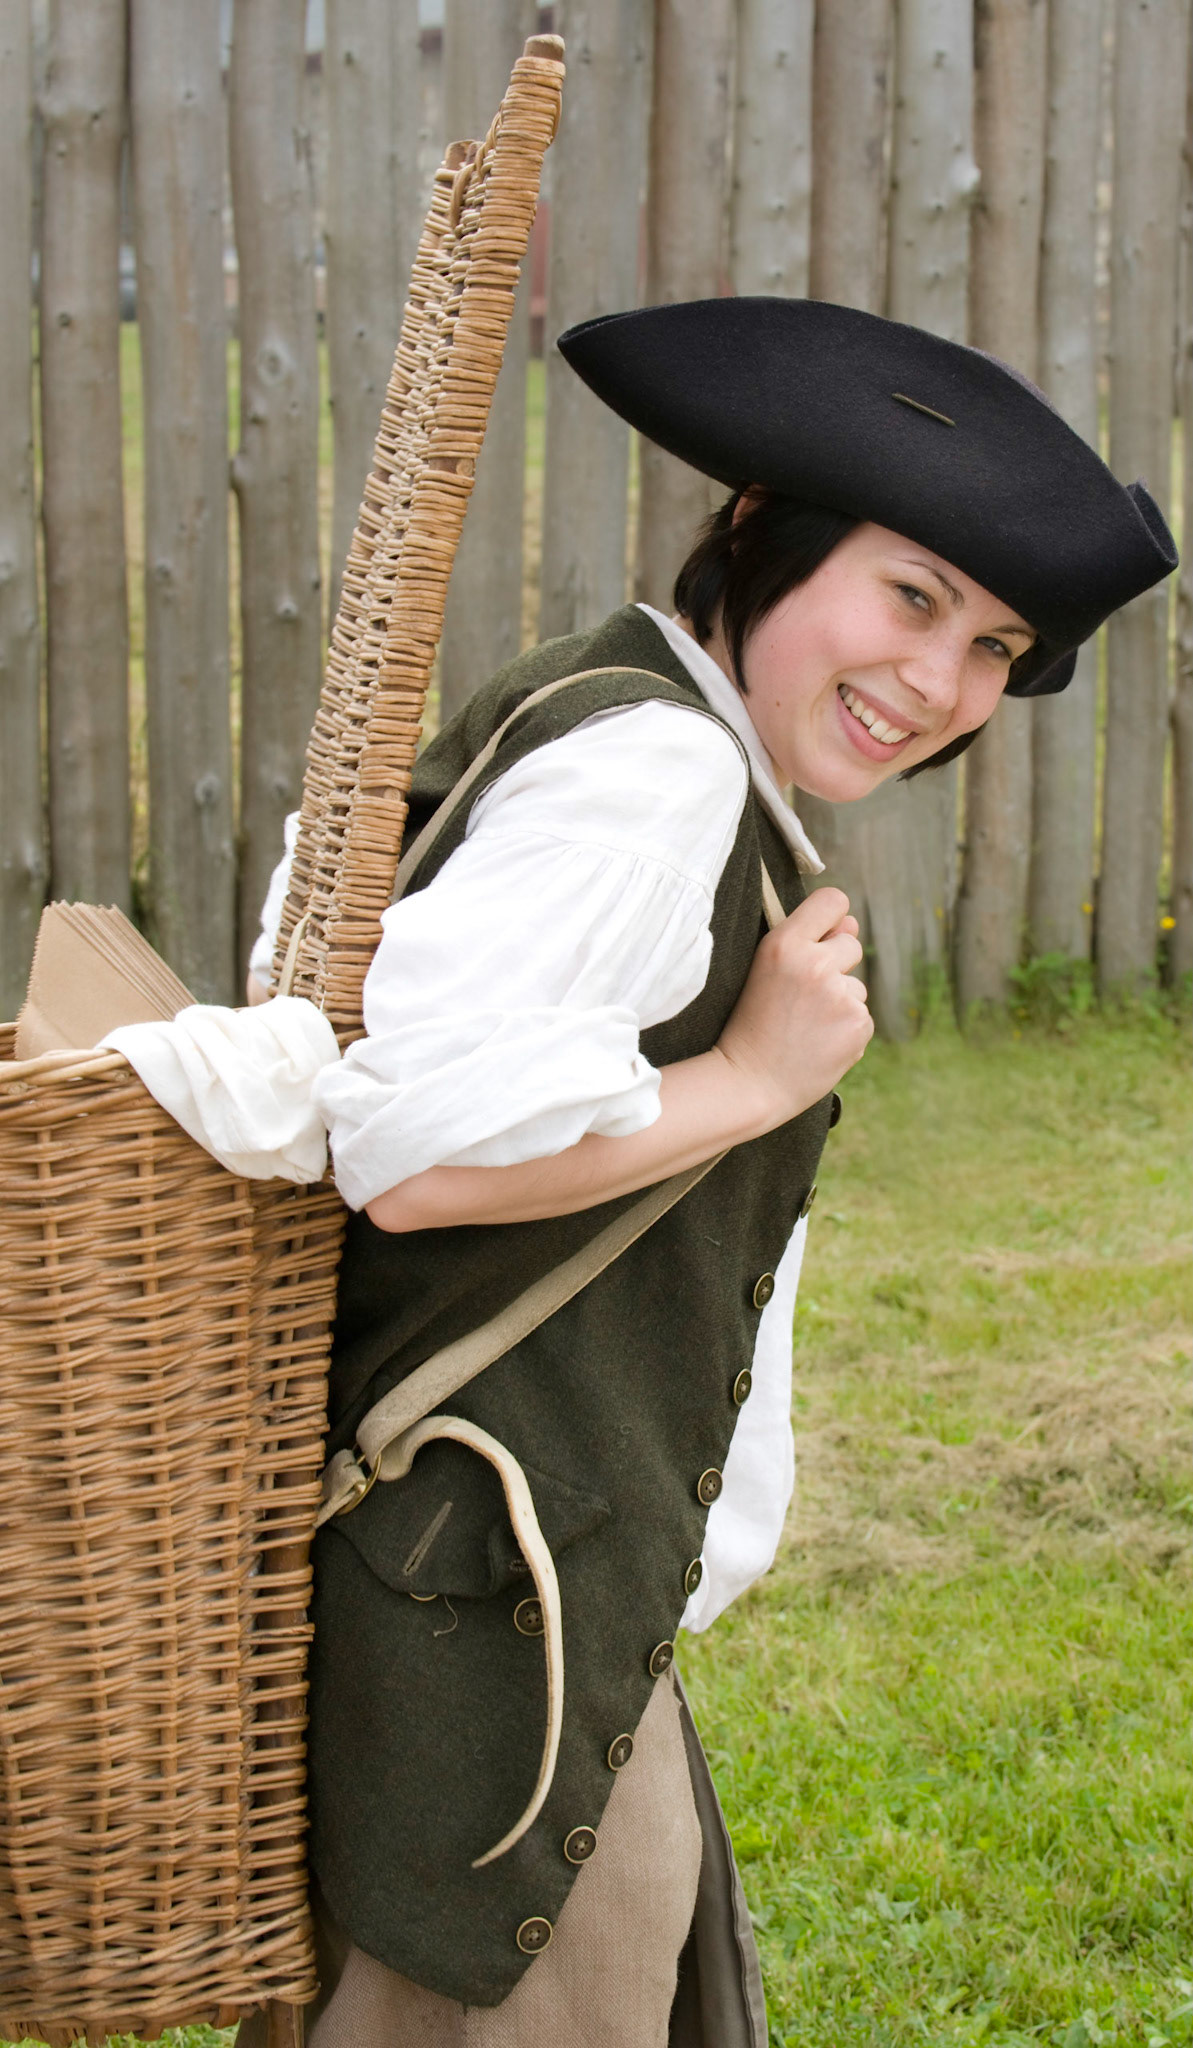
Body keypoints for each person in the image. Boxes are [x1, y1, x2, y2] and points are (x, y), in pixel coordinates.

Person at [240, 299, 1175, 2048]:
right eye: (909, 597)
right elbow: (416, 1162)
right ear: (762, 532)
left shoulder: (652, 731)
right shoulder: (656, 772)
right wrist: (752, 1077)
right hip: (484, 1614)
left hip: (520, 1595)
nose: (936, 682)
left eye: (992, 646)